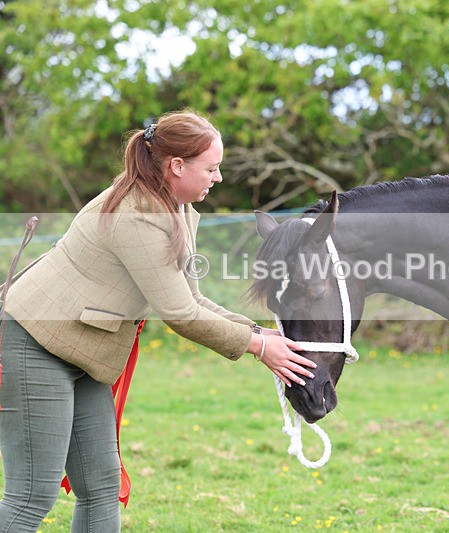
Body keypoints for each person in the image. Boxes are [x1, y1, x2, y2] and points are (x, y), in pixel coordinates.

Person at [0, 110, 316, 532]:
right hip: (35, 344)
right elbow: (181, 314)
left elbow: (194, 299)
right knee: (30, 499)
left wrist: (258, 331)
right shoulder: (137, 215)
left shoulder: (180, 210)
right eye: (212, 168)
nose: (218, 178)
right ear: (177, 166)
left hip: (84, 354)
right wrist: (258, 347)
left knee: (100, 487)